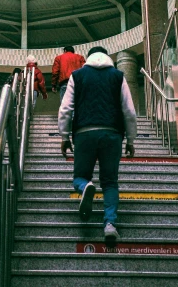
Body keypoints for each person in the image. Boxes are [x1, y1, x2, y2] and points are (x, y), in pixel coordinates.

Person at [59, 46, 137, 246]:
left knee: (79, 177)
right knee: (110, 182)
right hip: (112, 134)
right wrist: (130, 139)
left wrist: (64, 136)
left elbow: (66, 108)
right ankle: (110, 225)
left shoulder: (77, 75)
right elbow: (128, 109)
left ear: (89, 58)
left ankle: (86, 186)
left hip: (84, 133)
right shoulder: (118, 76)